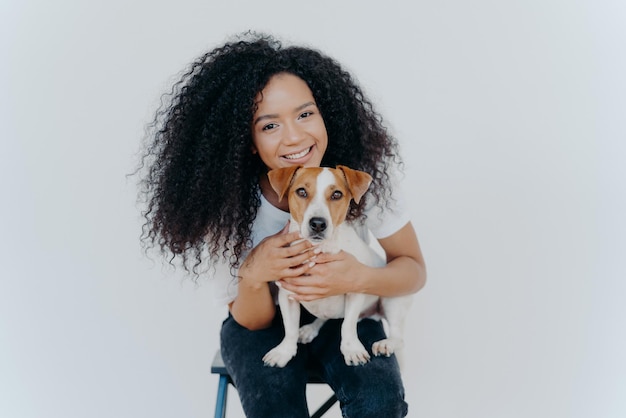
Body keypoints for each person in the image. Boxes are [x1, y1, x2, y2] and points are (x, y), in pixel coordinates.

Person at [138, 32, 426, 418]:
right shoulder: (221, 202)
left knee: (379, 402)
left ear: (327, 113)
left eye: (305, 114)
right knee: (275, 408)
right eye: (269, 125)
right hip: (260, 321)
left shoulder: (356, 179)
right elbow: (251, 320)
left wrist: (358, 278)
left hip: (345, 311)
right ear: (248, 140)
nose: (294, 136)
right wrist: (255, 274)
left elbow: (413, 271)